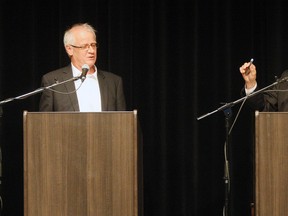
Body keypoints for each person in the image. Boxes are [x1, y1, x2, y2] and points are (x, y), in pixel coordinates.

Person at [39, 22, 126, 111]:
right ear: (69, 49)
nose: (92, 51)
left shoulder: (114, 82)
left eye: (93, 45)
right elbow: (44, 122)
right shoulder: (52, 82)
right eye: (85, 46)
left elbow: (123, 121)